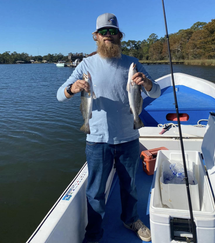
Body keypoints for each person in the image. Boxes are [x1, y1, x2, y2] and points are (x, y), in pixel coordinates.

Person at [57, 13, 161, 243]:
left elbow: (157, 92)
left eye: (112, 32)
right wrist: (73, 88)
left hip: (129, 138)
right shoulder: (86, 64)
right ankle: (93, 233)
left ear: (119, 35)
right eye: (103, 32)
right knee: (95, 192)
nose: (108, 36)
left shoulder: (132, 63)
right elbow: (59, 96)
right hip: (97, 141)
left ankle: (131, 219)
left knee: (130, 186)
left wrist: (146, 82)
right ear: (95, 36)